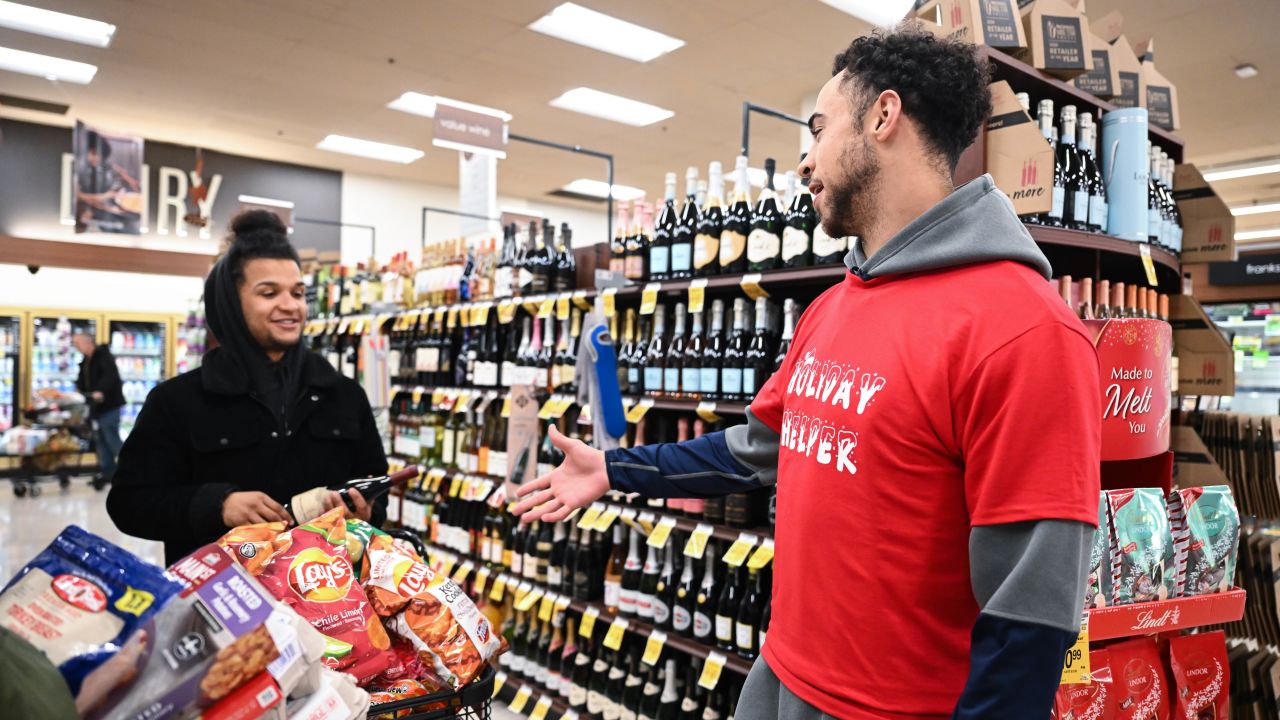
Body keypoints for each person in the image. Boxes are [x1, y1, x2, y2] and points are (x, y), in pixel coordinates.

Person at [513, 25, 1101, 720]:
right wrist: (618, 470)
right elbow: (756, 450)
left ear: (883, 117)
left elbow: (1032, 608)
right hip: (781, 683)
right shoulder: (831, 308)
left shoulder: (1023, 330)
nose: (805, 161)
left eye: (819, 129)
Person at [107, 210, 388, 565]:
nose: (290, 306)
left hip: (327, 602)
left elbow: (376, 496)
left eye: (298, 293)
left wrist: (364, 516)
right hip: (221, 603)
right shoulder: (178, 401)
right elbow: (129, 504)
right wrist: (217, 505)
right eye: (269, 293)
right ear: (231, 305)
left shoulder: (344, 396)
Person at [73, 332, 125, 485]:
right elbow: (82, 380)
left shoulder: (103, 356)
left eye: (77, 343)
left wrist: (100, 392)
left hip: (109, 406)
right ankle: (108, 473)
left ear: (88, 342)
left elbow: (110, 377)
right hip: (96, 408)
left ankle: (131, 470)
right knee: (101, 441)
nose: (76, 347)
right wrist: (78, 389)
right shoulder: (85, 361)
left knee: (112, 439)